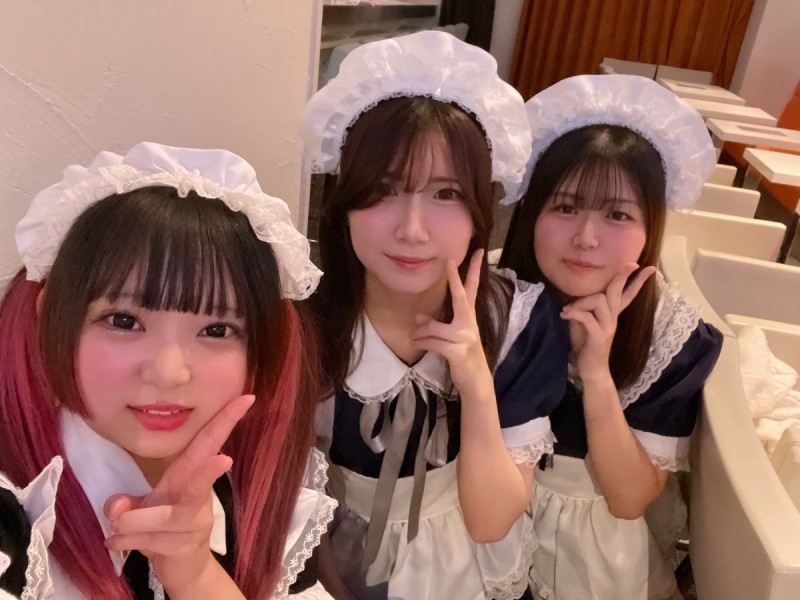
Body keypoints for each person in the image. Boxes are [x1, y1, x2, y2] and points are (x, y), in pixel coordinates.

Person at [0, 142, 337, 599]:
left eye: (217, 330)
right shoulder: (15, 518)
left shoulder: (259, 496)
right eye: (123, 321)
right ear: (50, 319)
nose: (169, 373)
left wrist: (196, 575)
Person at [302, 31, 570, 600]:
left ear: (479, 210)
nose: (412, 229)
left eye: (446, 194)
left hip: (465, 567)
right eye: (383, 190)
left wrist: (474, 382)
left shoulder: (519, 323)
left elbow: (492, 521)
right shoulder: (305, 326)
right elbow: (298, 499)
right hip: (340, 566)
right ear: (342, 202)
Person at [498, 74, 725, 600]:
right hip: (482, 536)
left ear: (651, 228)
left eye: (617, 214)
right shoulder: (493, 299)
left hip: (592, 563)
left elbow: (628, 499)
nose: (586, 238)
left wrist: (596, 373)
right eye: (565, 207)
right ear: (531, 211)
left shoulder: (674, 336)